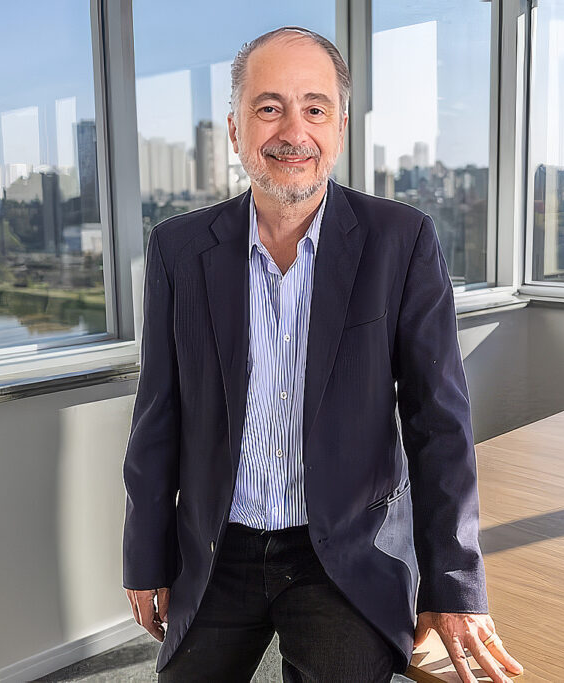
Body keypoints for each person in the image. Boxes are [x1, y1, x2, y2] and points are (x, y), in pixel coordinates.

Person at [122, 25, 524, 683]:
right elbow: (156, 418)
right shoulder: (178, 248)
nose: (294, 131)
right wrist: (145, 557)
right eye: (269, 107)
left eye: (315, 108)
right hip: (217, 548)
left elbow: (439, 424)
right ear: (235, 129)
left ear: (339, 128)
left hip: (345, 553)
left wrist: (453, 583)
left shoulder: (401, 240)